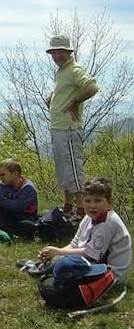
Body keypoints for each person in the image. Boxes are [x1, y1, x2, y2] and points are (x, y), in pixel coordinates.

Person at [38, 177, 132, 286]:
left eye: (98, 201)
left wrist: (58, 253)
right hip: (95, 263)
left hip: (111, 275)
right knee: (60, 262)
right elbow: (75, 244)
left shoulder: (107, 222)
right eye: (88, 201)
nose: (92, 206)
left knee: (65, 265)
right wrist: (54, 254)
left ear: (109, 202)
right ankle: (49, 267)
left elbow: (90, 255)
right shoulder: (89, 217)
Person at [46, 35, 99, 218]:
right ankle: (68, 207)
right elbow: (66, 91)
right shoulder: (62, 71)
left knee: (74, 171)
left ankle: (82, 213)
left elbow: (92, 87)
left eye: (60, 51)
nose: (57, 55)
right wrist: (53, 99)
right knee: (63, 170)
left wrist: (75, 101)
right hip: (58, 128)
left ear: (69, 52)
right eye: (54, 52)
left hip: (68, 129)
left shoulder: (74, 69)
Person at [0, 159, 38, 238]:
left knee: (28, 226)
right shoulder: (5, 184)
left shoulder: (28, 188)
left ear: (15, 174)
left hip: (24, 216)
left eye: (3, 174)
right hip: (9, 214)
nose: (1, 177)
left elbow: (16, 206)